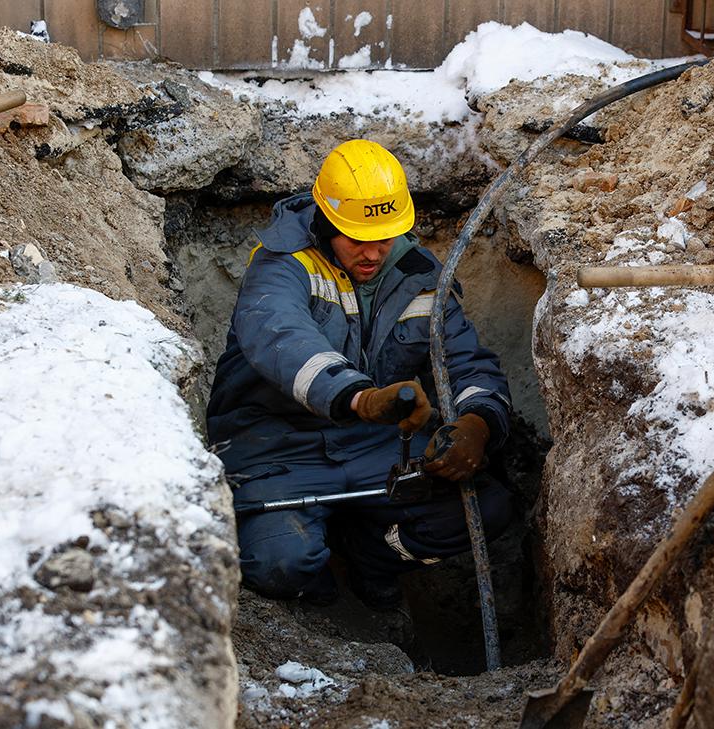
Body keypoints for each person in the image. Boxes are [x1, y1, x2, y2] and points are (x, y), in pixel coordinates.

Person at [206, 139, 512, 616]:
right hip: (276, 446)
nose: (372, 253)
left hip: (375, 445)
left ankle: (372, 557)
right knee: (281, 564)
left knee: (486, 510)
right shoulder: (281, 266)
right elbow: (283, 338)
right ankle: (319, 593)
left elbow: (466, 363)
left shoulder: (420, 276)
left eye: (384, 238)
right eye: (357, 239)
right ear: (328, 223)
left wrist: (480, 423)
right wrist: (360, 397)